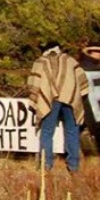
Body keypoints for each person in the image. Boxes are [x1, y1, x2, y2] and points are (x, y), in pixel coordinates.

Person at [28, 41, 89, 172]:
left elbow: (33, 84)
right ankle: (73, 166)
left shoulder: (41, 62)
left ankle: (46, 165)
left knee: (47, 132)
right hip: (70, 99)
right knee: (72, 131)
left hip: (49, 100)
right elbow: (83, 82)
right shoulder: (70, 61)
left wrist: (33, 101)